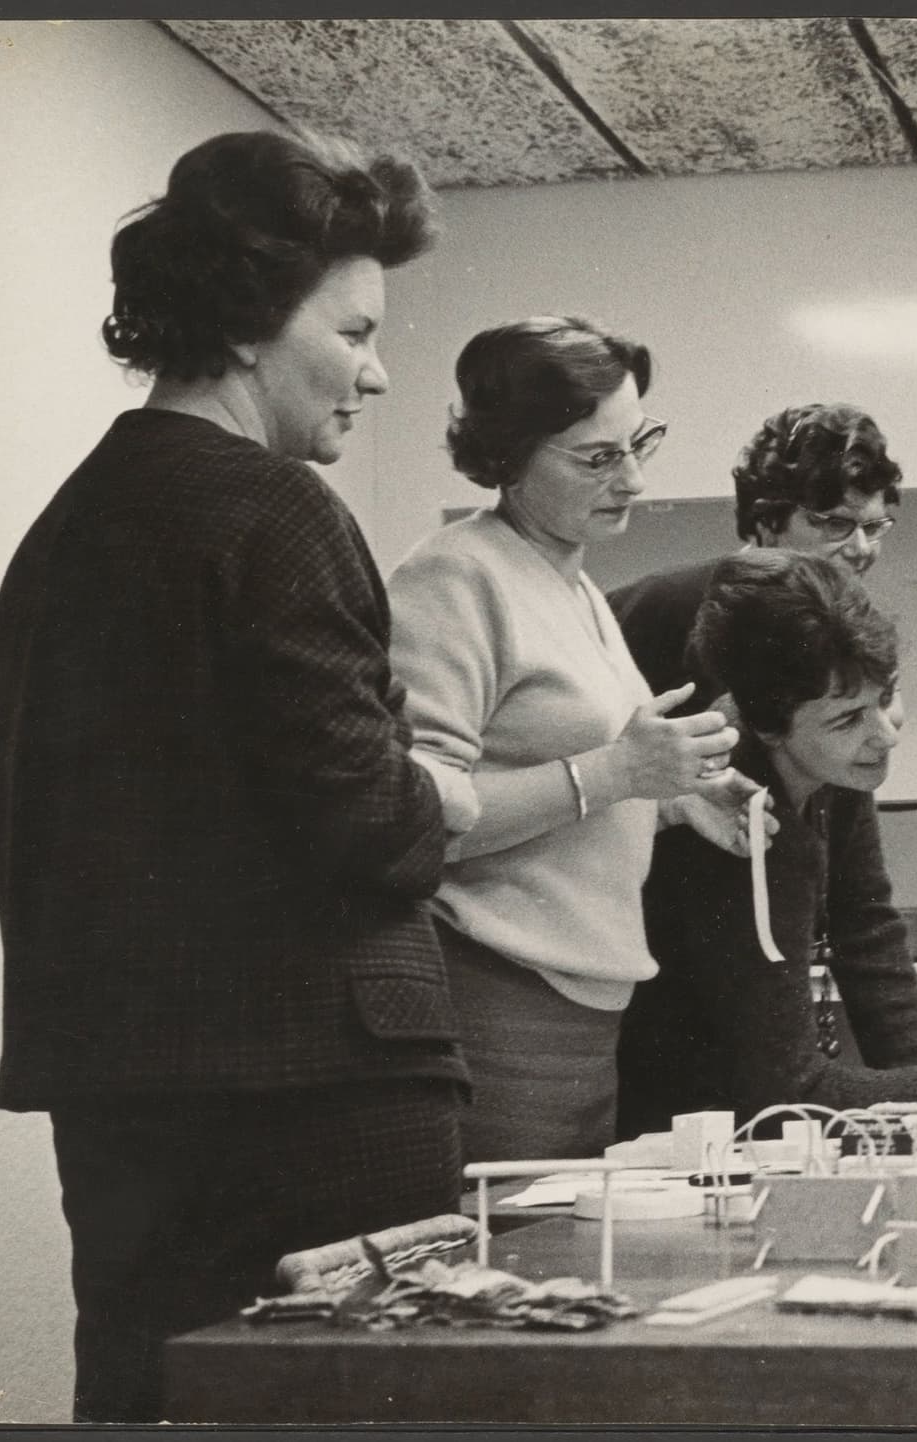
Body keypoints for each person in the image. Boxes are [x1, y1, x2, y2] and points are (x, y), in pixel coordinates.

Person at [0, 130, 467, 1423]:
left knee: (149, 1399)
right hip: (324, 1101)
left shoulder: (61, 534)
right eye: (356, 330)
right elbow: (373, 826)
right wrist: (446, 797)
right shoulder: (278, 511)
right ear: (255, 321)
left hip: (122, 1095)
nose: (379, 368)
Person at [387, 317, 758, 1163]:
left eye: (638, 445)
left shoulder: (569, 578)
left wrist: (671, 802)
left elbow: (565, 782)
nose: (631, 479)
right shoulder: (454, 576)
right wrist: (618, 769)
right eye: (597, 457)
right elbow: (418, 817)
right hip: (496, 996)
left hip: (583, 1005)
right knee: (510, 1264)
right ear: (509, 454)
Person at [616, 550, 917, 1135]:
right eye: (847, 720)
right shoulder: (731, 811)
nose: (884, 735)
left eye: (885, 697)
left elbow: (868, 931)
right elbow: (782, 1093)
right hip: (687, 1137)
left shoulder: (833, 770)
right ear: (766, 726)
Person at [608, 401, 902, 704]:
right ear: (767, 521)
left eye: (872, 527)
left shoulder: (856, 627)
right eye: (836, 524)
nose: (861, 549)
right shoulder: (655, 608)